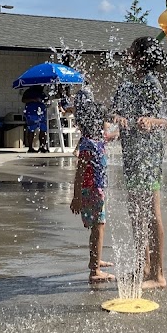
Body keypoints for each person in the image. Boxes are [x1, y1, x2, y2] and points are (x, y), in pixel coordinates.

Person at [111, 36, 167, 289]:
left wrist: (150, 121)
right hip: (131, 157)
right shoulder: (125, 84)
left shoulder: (152, 84)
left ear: (142, 57)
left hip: (148, 158)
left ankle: (158, 274)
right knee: (136, 215)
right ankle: (142, 266)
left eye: (132, 51)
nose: (128, 54)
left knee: (152, 214)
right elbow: (112, 112)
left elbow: (164, 120)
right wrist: (119, 118)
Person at [70, 98, 115, 288]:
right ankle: (95, 271)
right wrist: (76, 197)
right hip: (91, 191)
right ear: (95, 123)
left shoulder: (97, 139)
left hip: (96, 189)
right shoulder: (88, 145)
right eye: (103, 121)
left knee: (98, 226)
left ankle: (95, 260)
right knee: (98, 226)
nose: (106, 124)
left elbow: (112, 135)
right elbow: (79, 173)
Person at [22, 85, 49, 153]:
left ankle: (42, 146)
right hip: (31, 113)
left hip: (41, 113)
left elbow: (46, 100)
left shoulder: (42, 93)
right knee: (31, 129)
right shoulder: (28, 92)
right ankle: (30, 147)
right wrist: (33, 100)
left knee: (43, 129)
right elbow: (23, 100)